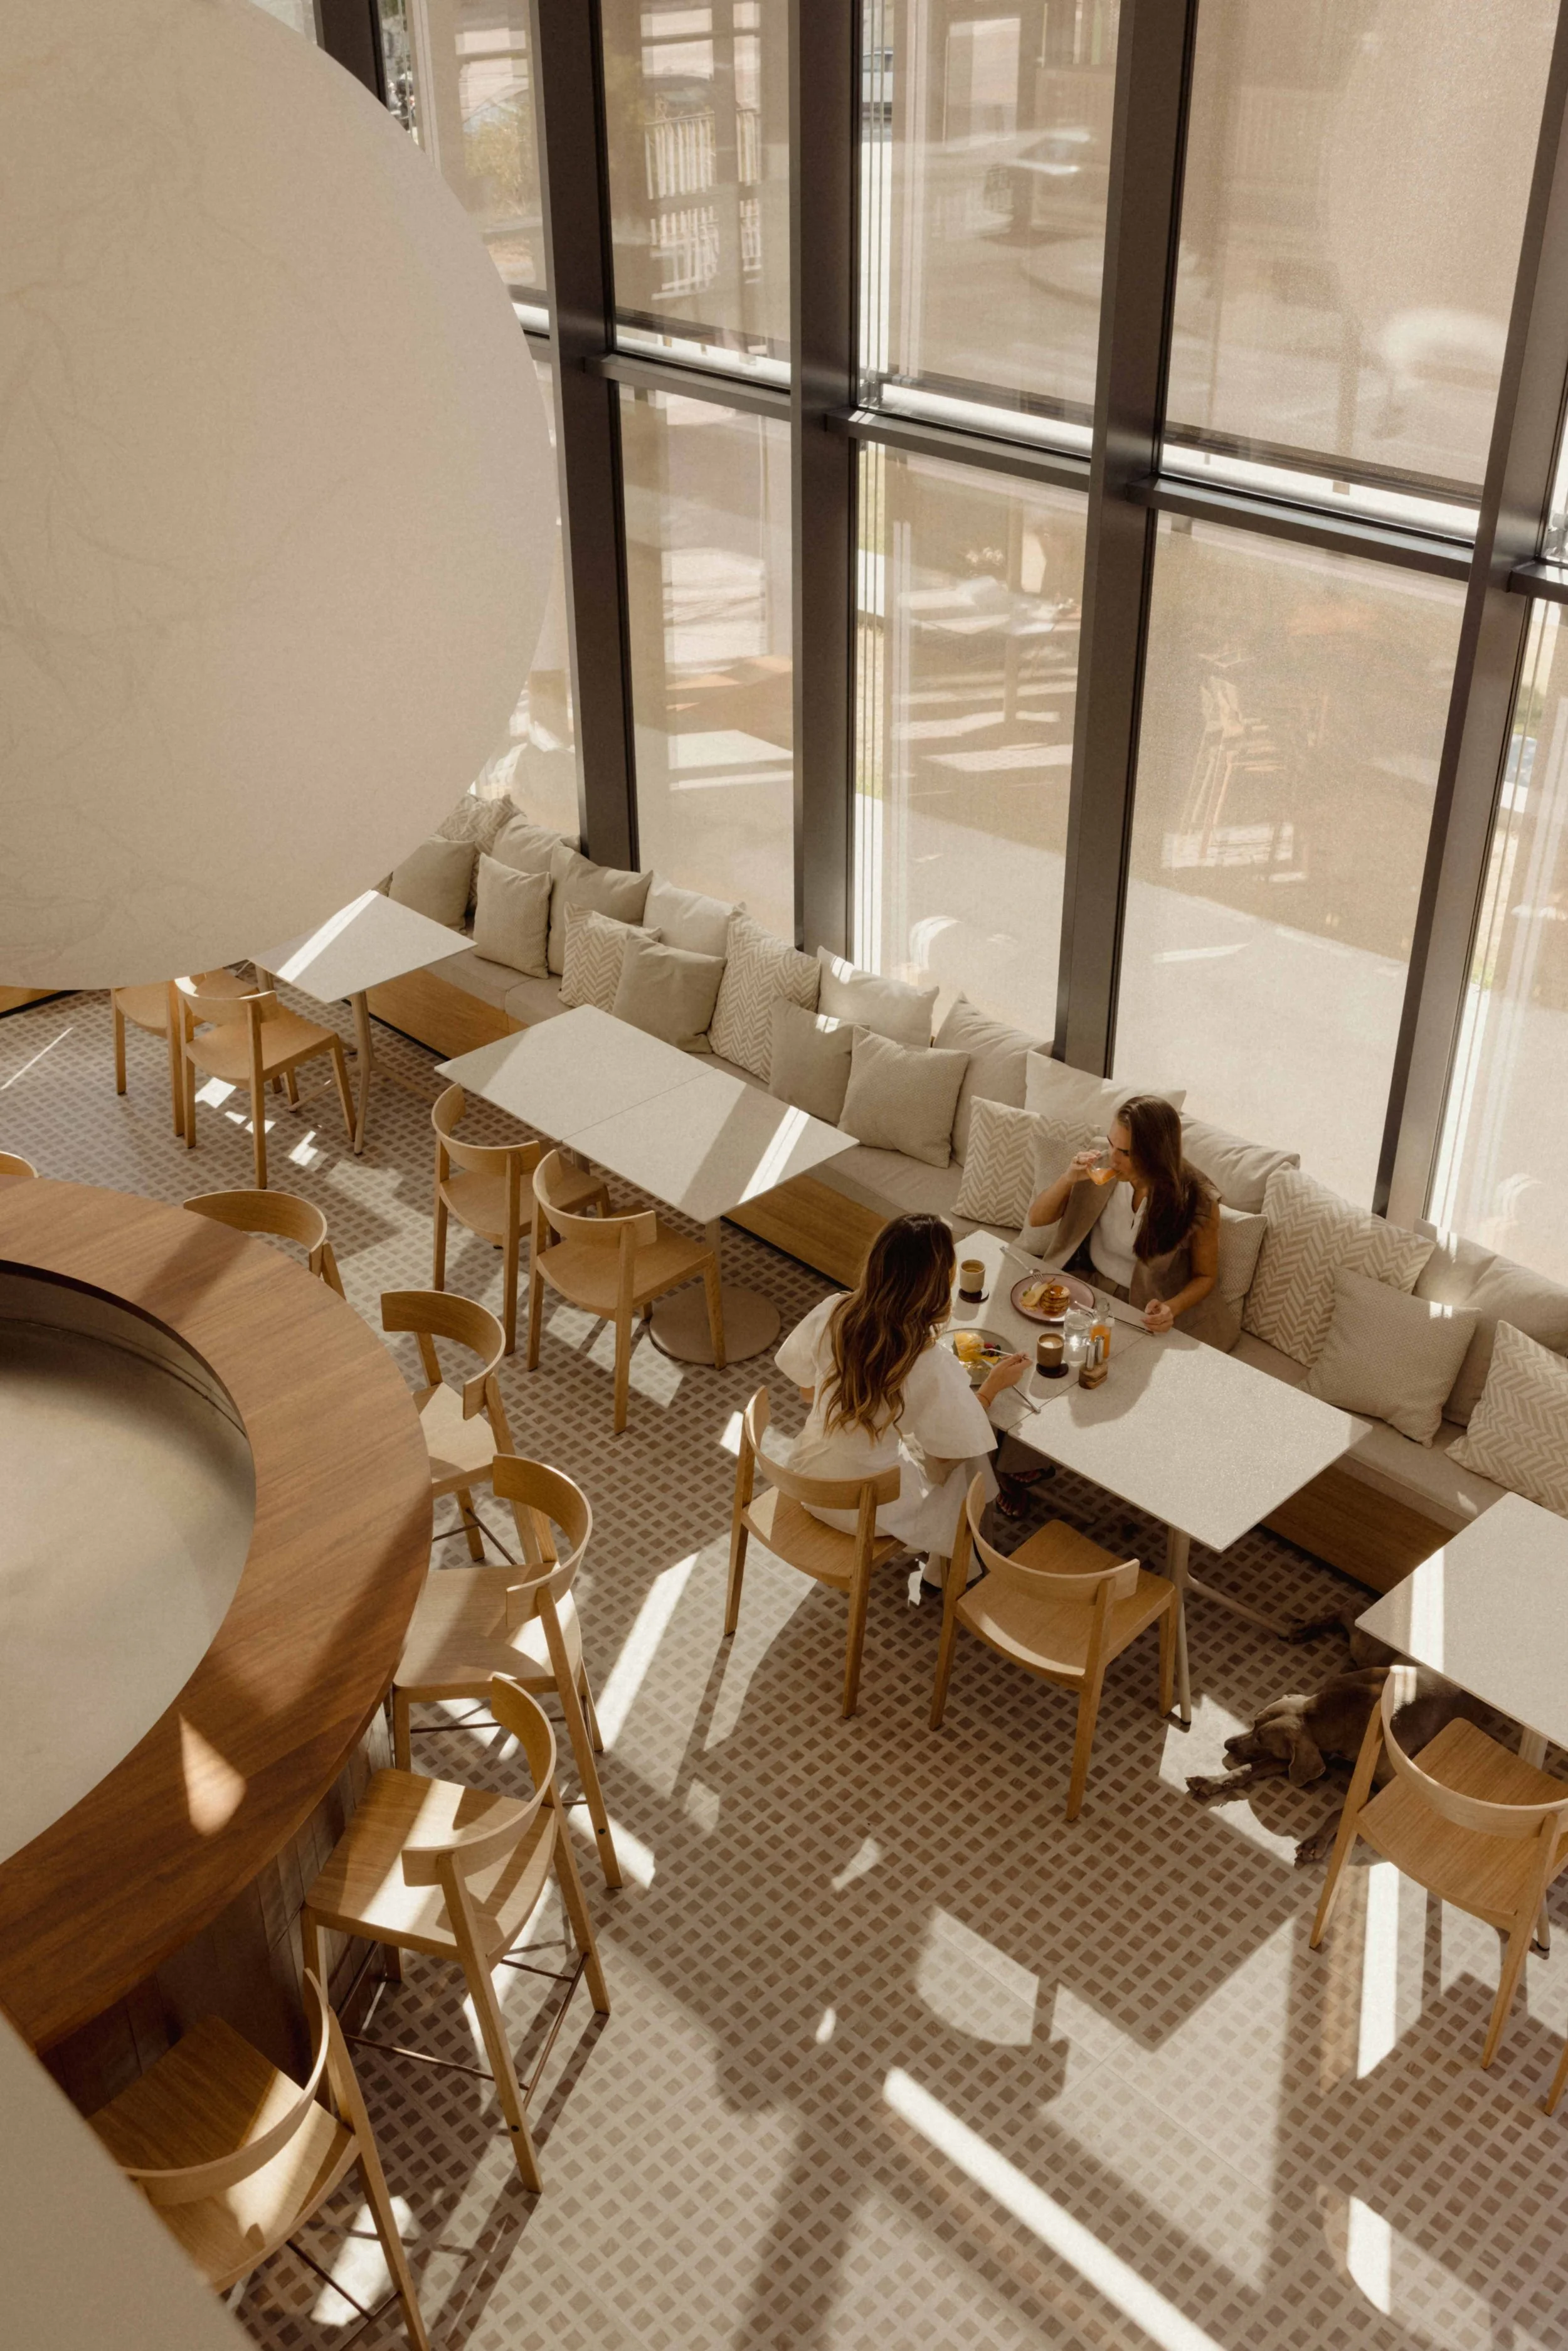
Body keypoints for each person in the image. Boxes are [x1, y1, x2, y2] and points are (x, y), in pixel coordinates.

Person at [775, 1213, 1027, 1591]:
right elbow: (951, 1450)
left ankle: (953, 1570)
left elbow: (807, 1391)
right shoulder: (926, 1360)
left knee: (907, 1443)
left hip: (806, 1478)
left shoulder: (834, 1310)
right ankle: (950, 1575)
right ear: (937, 1287)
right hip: (865, 1509)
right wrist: (990, 1388)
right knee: (972, 1467)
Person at [1023, 1095, 1230, 1344]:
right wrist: (1068, 1179)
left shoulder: (1199, 1200)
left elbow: (1205, 1277)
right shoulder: (1099, 1166)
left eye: (1125, 1152)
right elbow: (1037, 1219)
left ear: (1157, 1154)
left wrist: (1171, 1308)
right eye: (1111, 1144)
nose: (1112, 1158)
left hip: (1145, 1305)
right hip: (1089, 1284)